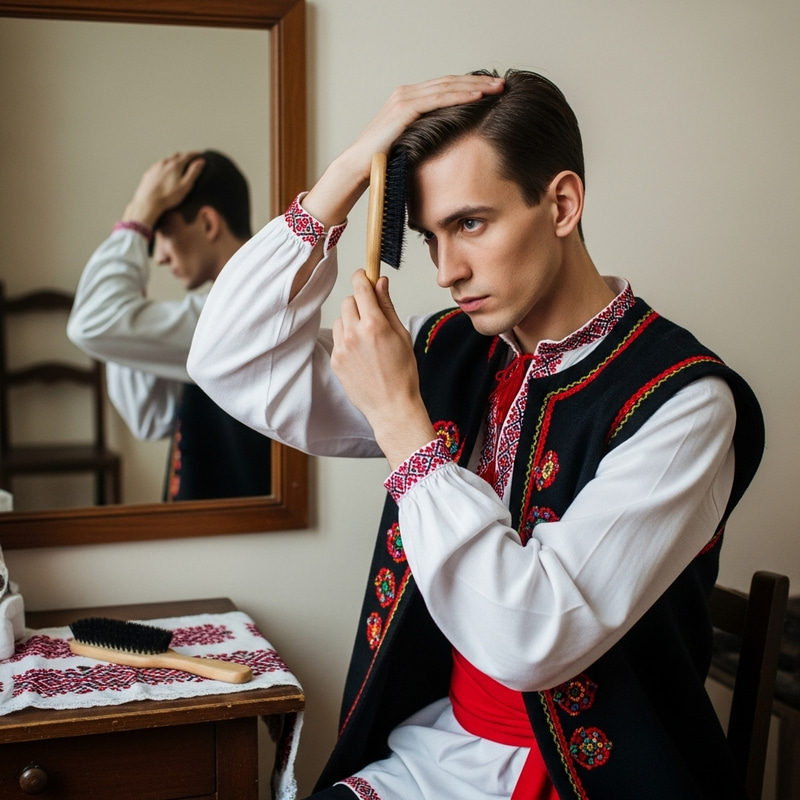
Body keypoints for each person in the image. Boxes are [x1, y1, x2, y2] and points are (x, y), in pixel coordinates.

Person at [187, 71, 765, 799]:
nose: (446, 271)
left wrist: (401, 420)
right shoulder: (451, 352)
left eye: (471, 224)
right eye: (431, 236)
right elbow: (228, 360)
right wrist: (347, 170)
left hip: (600, 779)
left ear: (561, 203)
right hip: (443, 747)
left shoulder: (685, 406)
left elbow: (533, 638)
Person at [68, 150, 271, 501]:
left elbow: (90, 323)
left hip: (237, 537)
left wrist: (136, 217)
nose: (158, 256)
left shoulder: (235, 314)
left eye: (163, 232)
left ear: (208, 223)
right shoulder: (213, 313)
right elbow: (148, 417)